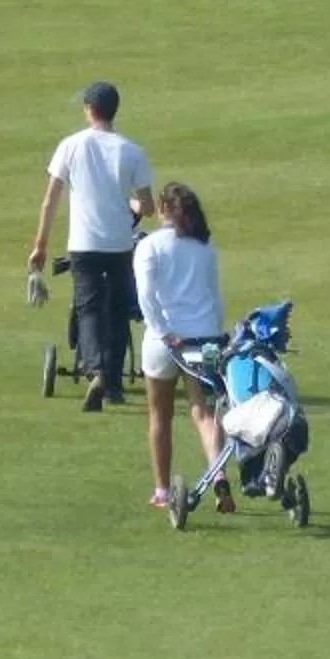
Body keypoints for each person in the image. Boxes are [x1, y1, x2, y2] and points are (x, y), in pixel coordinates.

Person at [29, 82, 154, 412]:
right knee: (116, 312)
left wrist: (40, 246)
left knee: (88, 309)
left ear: (89, 109)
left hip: (83, 245)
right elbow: (147, 206)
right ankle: (112, 383)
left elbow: (50, 202)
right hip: (119, 244)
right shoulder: (131, 150)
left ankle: (95, 370)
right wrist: (124, 201)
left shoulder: (70, 146)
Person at [133, 180, 231, 514]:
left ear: (162, 210)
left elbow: (145, 295)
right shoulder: (205, 246)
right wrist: (215, 332)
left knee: (160, 414)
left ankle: (162, 490)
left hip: (166, 342)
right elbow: (216, 297)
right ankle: (219, 477)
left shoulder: (150, 246)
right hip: (204, 339)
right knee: (203, 413)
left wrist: (162, 330)